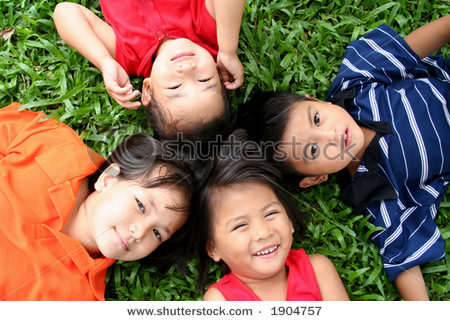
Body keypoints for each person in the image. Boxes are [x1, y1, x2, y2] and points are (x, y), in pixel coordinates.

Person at [238, 15, 450, 300]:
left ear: (315, 99)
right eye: (313, 150)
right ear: (314, 178)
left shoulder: (356, 84)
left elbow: (409, 49)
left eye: (316, 118)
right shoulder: (374, 192)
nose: (331, 135)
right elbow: (402, 256)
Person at [0, 103, 196, 300]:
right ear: (108, 178)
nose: (139, 233)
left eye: (157, 233)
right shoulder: (54, 146)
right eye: (141, 205)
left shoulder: (79, 301)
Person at [192, 129, 349, 301]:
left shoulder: (318, 270)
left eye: (271, 213)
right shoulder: (220, 301)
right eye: (240, 225)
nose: (264, 232)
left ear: (289, 220)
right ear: (213, 248)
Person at [53, 0, 245, 140]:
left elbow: (65, 12)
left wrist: (104, 62)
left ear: (148, 90)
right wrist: (228, 50)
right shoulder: (210, 29)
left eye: (175, 87)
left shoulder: (127, 57)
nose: (187, 69)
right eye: (204, 80)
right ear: (220, 73)